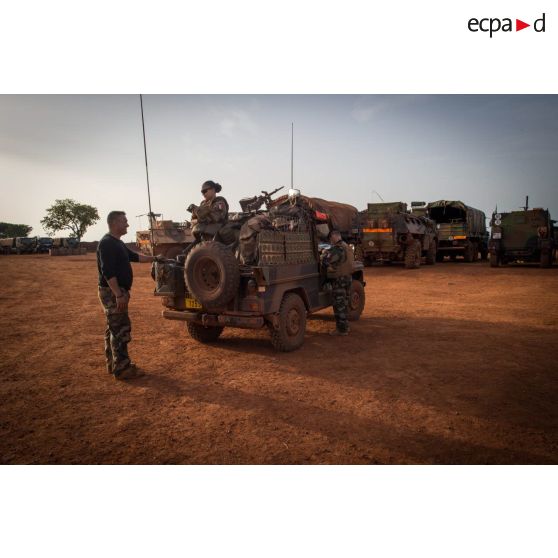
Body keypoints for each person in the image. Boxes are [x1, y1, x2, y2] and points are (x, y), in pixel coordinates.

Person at [97, 211, 161, 380]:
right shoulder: (107, 243)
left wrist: (155, 258)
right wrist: (118, 294)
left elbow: (134, 257)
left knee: (113, 328)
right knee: (121, 329)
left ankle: (114, 364)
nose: (127, 224)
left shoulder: (117, 242)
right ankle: (123, 368)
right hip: (113, 293)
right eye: (124, 221)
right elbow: (107, 272)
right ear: (115, 223)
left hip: (117, 292)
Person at [323, 230, 354, 336]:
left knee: (339, 304)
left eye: (331, 239)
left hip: (339, 280)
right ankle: (345, 326)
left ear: (334, 236)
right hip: (347, 278)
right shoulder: (346, 246)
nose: (330, 241)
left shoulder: (337, 249)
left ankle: (342, 329)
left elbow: (327, 261)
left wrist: (324, 254)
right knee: (344, 303)